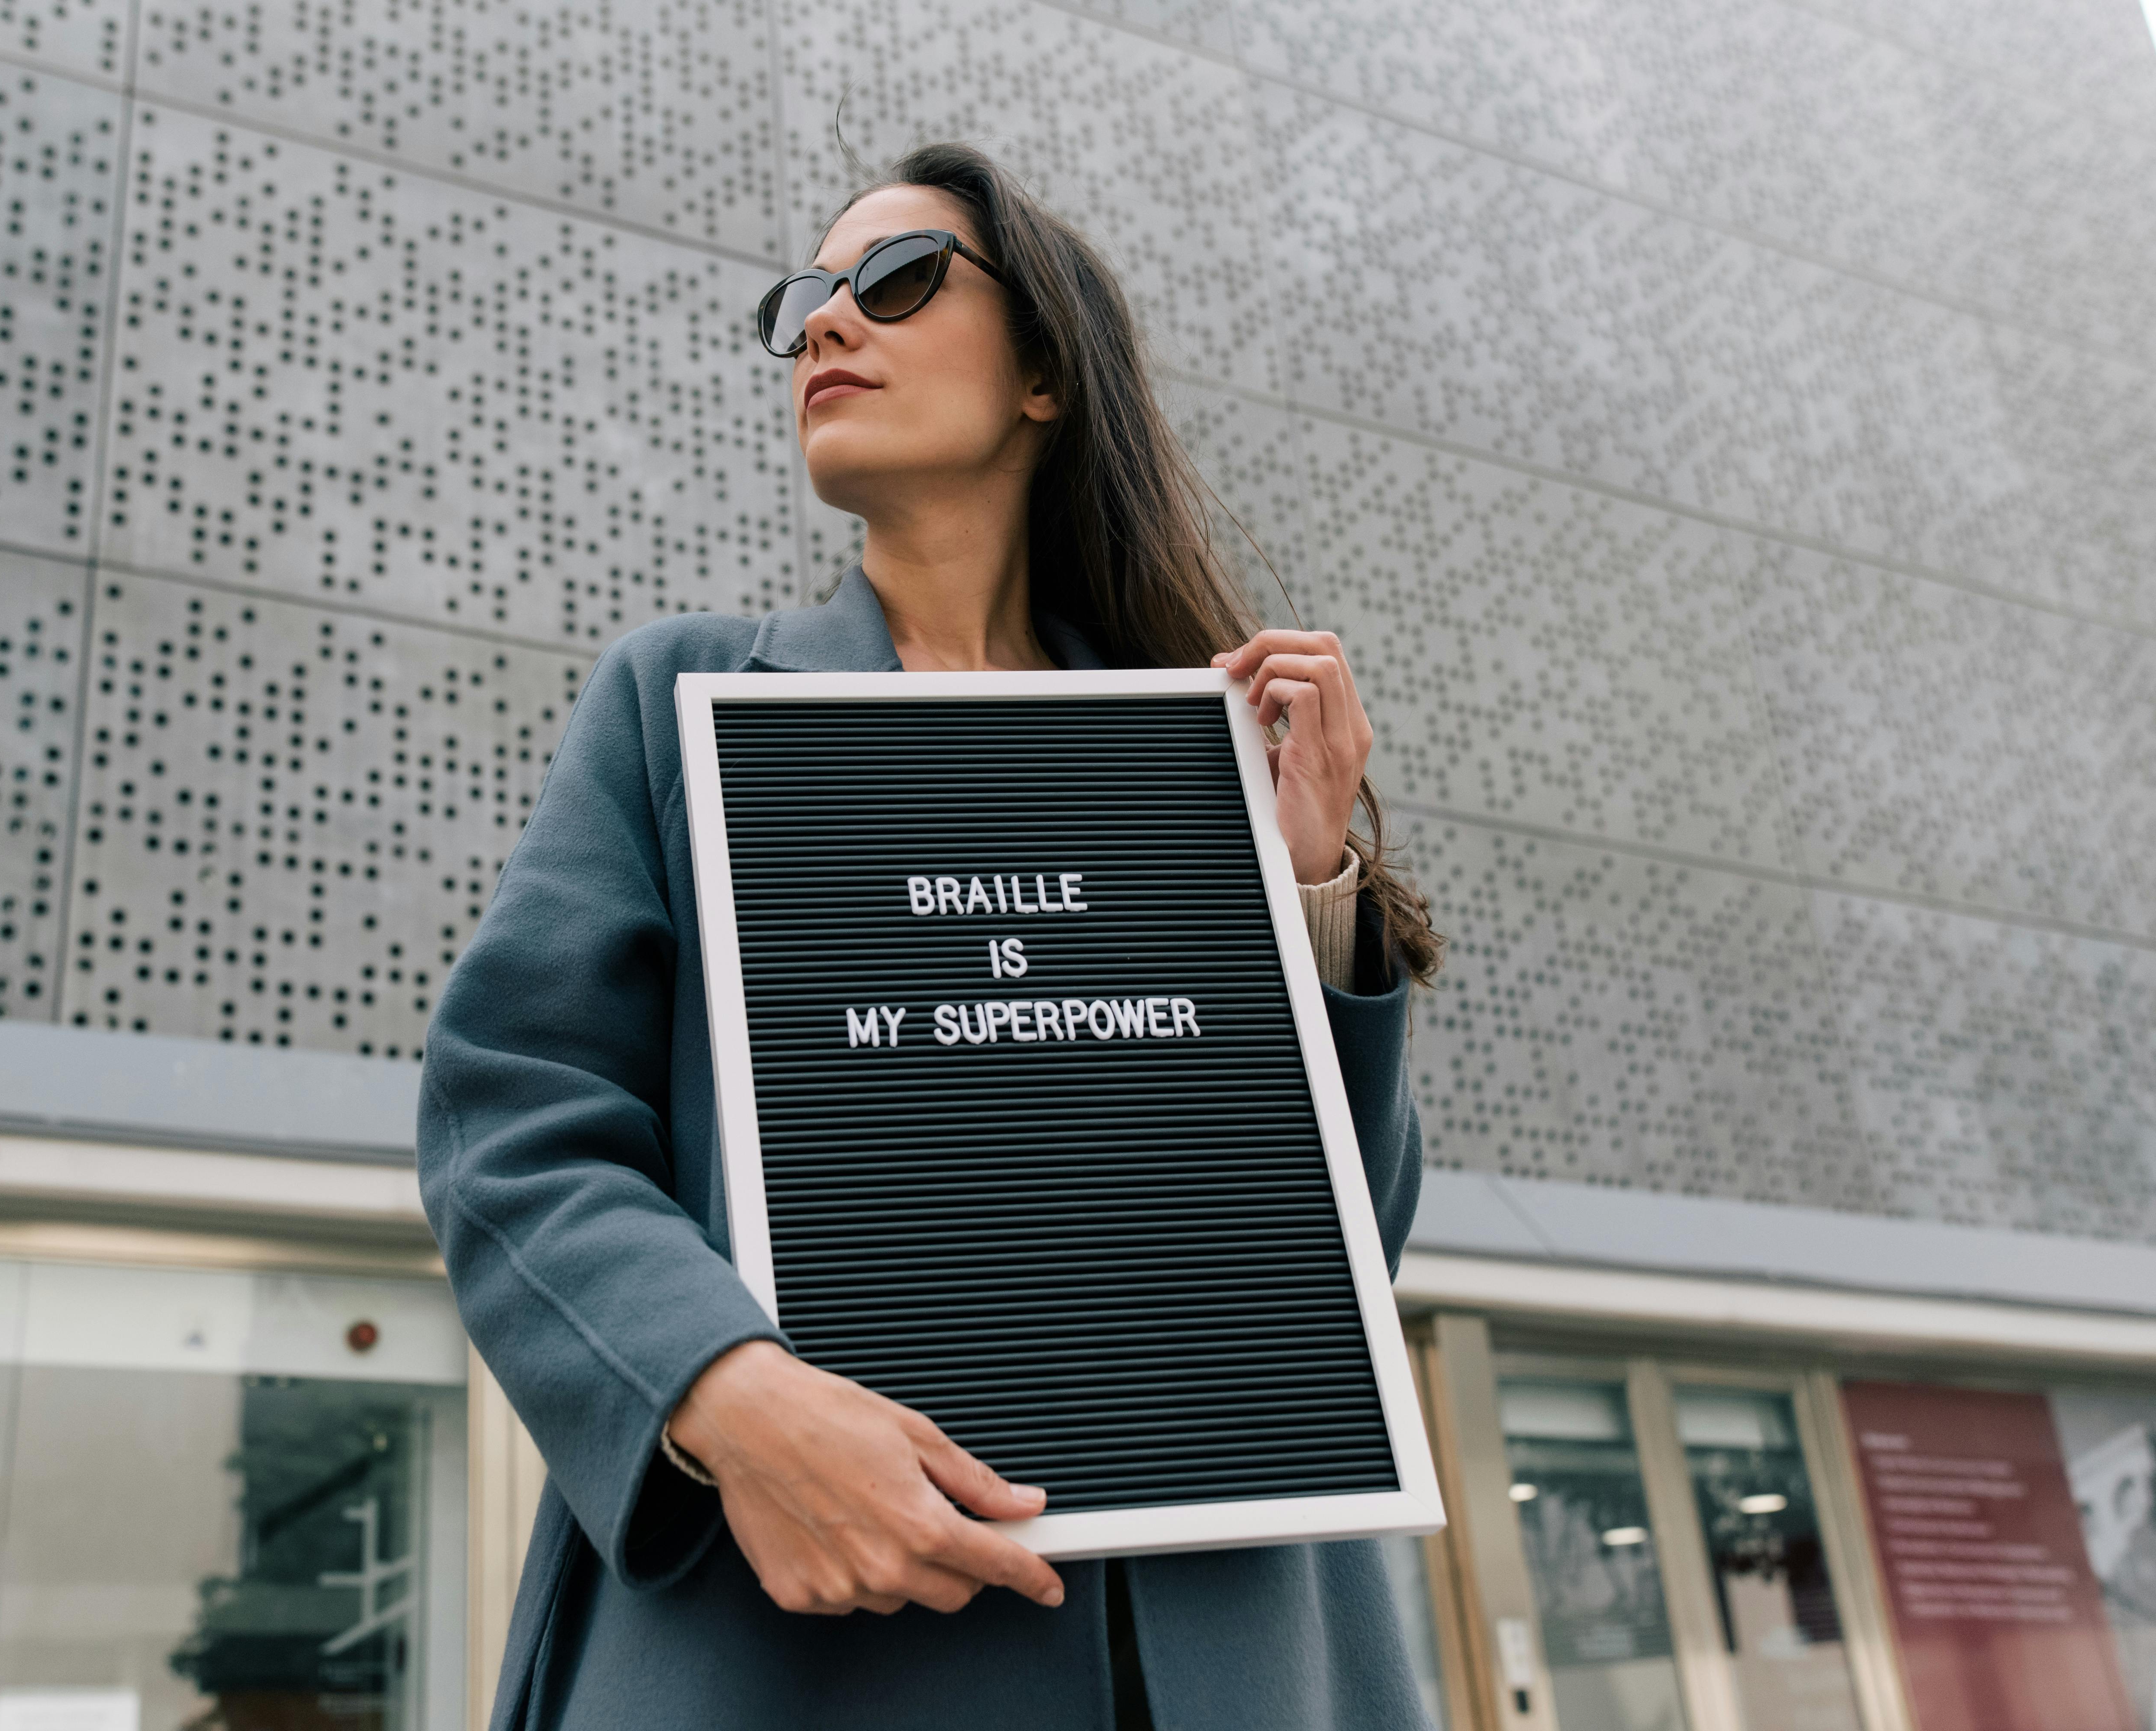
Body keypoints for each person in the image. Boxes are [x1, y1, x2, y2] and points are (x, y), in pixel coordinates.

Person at [418, 139, 1445, 1731]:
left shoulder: (1197, 760)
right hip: (793, 1657)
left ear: (1045, 373)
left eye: (893, 281)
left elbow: (1332, 1270)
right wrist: (725, 1392)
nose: (827, 324)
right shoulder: (680, 703)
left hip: (1230, 1649)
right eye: (804, 302)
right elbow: (514, 1127)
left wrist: (1302, 889)